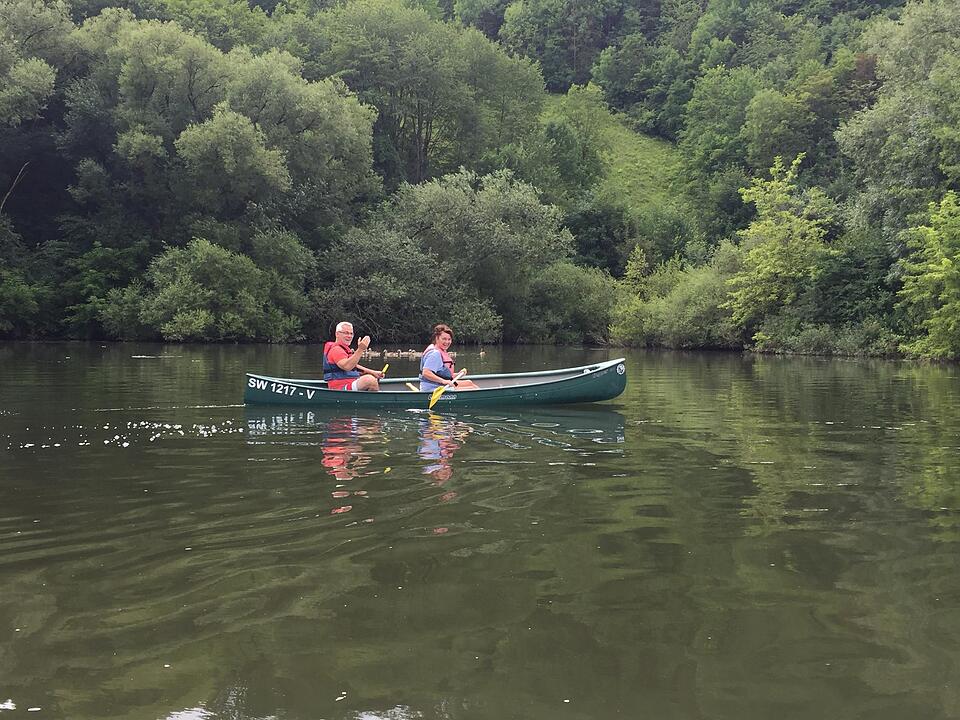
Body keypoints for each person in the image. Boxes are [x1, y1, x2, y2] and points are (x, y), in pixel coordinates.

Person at [323, 321, 383, 391]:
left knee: (371, 378)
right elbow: (347, 366)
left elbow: (354, 367)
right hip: (340, 389)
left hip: (350, 384)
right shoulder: (336, 350)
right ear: (337, 334)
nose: (349, 336)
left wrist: (373, 372)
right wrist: (361, 349)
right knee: (369, 380)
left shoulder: (344, 350)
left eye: (351, 333)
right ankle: (376, 400)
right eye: (346, 333)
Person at [419, 323, 478, 391]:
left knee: (469, 383)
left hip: (441, 385)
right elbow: (426, 373)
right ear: (437, 338)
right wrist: (443, 381)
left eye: (449, 339)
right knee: (473, 388)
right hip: (433, 388)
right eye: (444, 339)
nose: (447, 342)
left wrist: (458, 374)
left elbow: (442, 374)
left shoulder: (440, 351)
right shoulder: (434, 354)